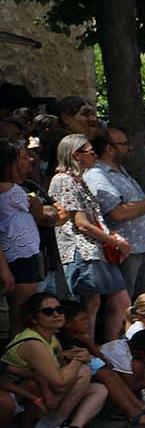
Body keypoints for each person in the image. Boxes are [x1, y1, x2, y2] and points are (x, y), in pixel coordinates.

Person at [49, 135, 132, 345]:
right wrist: (115, 242)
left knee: (120, 301)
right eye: (90, 151)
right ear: (76, 155)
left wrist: (111, 238)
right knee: (90, 305)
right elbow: (82, 223)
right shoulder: (63, 181)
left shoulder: (79, 180)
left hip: (97, 250)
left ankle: (110, 349)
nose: (95, 154)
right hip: (82, 250)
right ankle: (89, 350)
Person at [3, 292, 108, 428]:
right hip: (19, 394)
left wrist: (73, 358)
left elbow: (61, 369)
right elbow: (59, 381)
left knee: (99, 389)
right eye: (48, 312)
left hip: (42, 388)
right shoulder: (33, 342)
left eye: (59, 310)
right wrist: (79, 359)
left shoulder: (50, 337)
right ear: (33, 318)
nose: (56, 314)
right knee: (82, 370)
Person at [86, 125, 145, 300]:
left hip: (144, 248)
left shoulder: (120, 170)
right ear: (109, 149)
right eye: (124, 144)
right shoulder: (97, 175)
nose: (129, 148)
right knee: (126, 303)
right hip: (127, 251)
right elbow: (117, 213)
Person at [2, 138, 51, 333]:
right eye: (23, 157)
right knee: (22, 311)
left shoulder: (18, 188)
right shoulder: (11, 190)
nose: (29, 160)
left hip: (24, 253)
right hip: (18, 256)